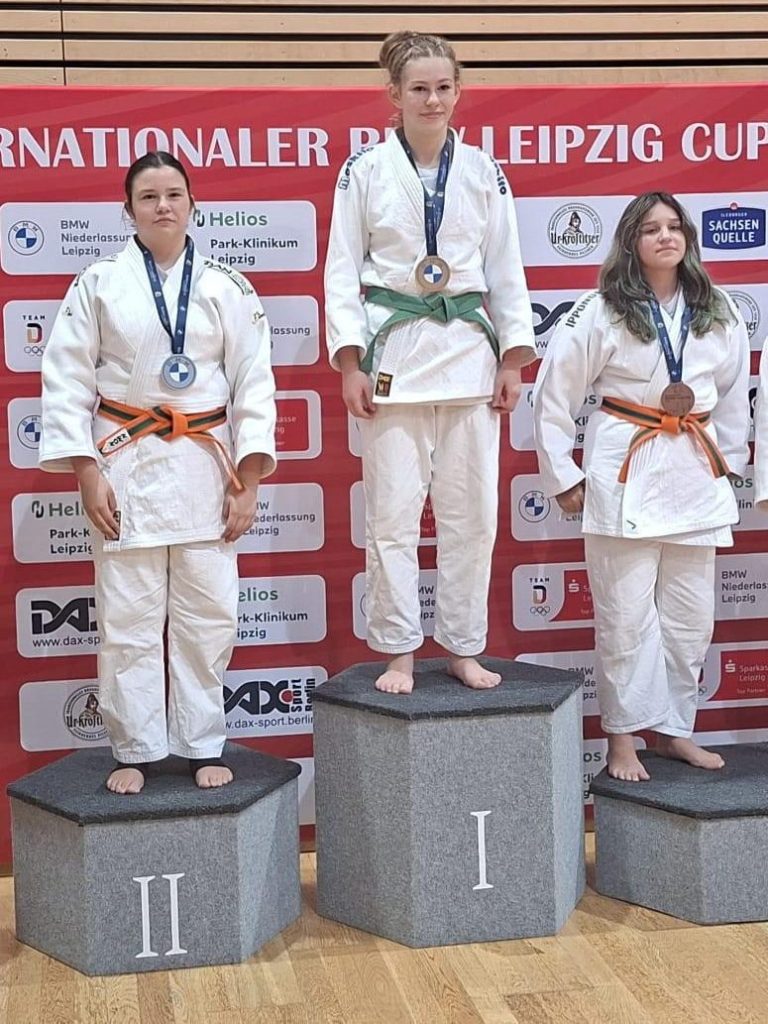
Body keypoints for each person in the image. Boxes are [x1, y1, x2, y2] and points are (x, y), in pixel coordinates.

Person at [39, 151, 276, 794]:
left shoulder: (227, 286)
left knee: (208, 615)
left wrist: (250, 480)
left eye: (174, 194)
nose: (163, 206)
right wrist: (86, 469)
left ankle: (202, 742)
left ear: (193, 204)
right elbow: (66, 380)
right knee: (128, 618)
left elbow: (255, 385)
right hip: (126, 460)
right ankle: (136, 747)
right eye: (148, 197)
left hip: (206, 465)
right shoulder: (98, 283)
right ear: (129, 211)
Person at [324, 31, 536, 695]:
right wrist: (350, 363)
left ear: (458, 91)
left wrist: (512, 358)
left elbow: (506, 267)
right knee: (391, 515)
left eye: (444, 87)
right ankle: (398, 651)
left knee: (472, 514)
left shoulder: (483, 171)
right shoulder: (363, 170)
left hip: (469, 356)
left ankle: (464, 646)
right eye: (419, 88)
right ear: (394, 94)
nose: (433, 99)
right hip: (395, 354)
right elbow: (341, 271)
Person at [533, 191, 750, 781]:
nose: (665, 236)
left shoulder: (718, 308)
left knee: (690, 620)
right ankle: (622, 740)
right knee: (625, 620)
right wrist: (562, 474)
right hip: (625, 465)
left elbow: (734, 394)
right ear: (631, 240)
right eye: (651, 228)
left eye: (674, 227)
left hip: (694, 470)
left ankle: (675, 731)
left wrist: (730, 463)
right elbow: (554, 392)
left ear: (688, 239)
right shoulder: (600, 308)